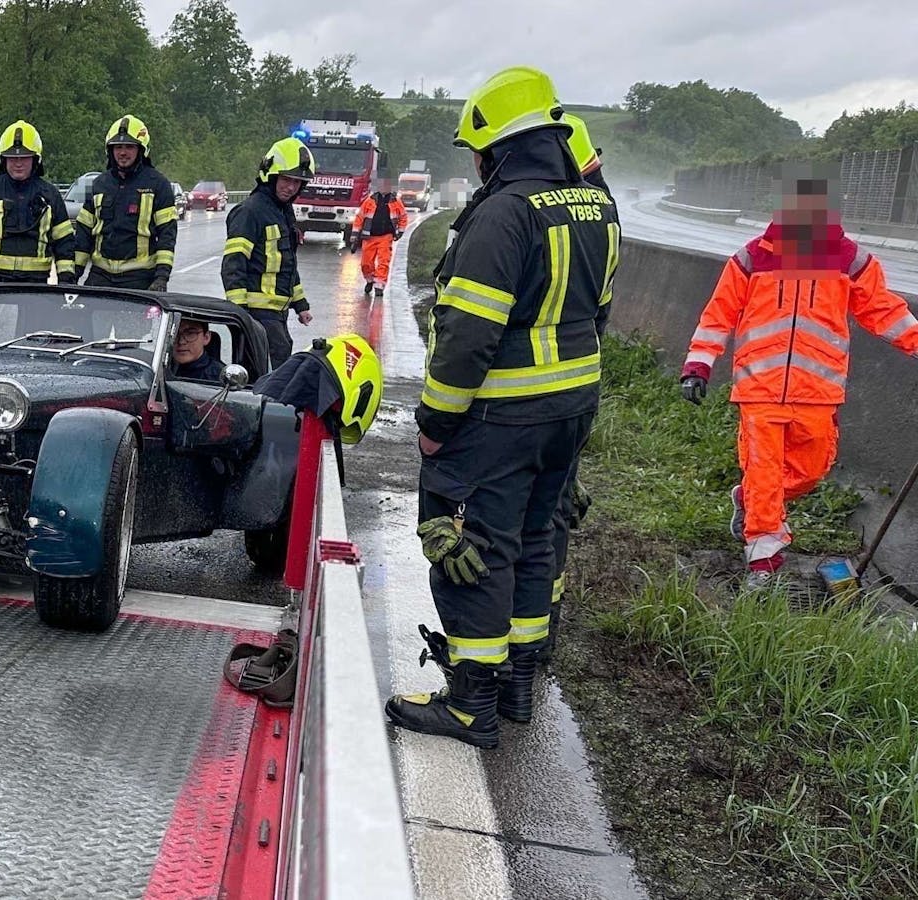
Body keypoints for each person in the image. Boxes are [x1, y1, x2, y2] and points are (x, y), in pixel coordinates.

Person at [384, 66, 621, 749]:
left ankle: (469, 704)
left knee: (472, 550)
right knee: (535, 538)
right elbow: (599, 313)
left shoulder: (503, 213)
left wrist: (435, 425)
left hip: (500, 417)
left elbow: (466, 338)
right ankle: (517, 681)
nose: (478, 164)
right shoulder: (594, 207)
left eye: (479, 151)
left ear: (501, 146)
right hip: (570, 410)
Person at [680, 175, 918, 585]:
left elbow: (885, 312)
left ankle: (751, 500)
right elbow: (718, 315)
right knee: (765, 470)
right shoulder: (752, 258)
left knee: (809, 472)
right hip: (759, 390)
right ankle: (763, 561)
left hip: (818, 392)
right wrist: (698, 365)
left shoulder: (848, 260)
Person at [539, 111, 610, 664]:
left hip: (537, 398)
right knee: (553, 513)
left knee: (534, 517)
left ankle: (530, 637)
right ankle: (542, 631)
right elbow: (600, 315)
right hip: (578, 392)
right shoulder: (603, 214)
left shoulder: (556, 213)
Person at [0, 120, 77, 305]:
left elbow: (64, 244)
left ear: (36, 159)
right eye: (12, 158)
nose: (18, 163)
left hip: (35, 286)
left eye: (24, 158)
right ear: (3, 160)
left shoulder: (50, 196)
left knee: (34, 333)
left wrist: (66, 283)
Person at [223, 137, 316, 367]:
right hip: (256, 314)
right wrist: (241, 314)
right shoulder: (250, 212)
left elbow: (286, 264)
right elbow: (233, 265)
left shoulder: (283, 212)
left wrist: (300, 305)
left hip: (277, 314)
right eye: (286, 179)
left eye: (297, 182)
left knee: (275, 370)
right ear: (271, 176)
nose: (291, 187)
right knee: (263, 378)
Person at [74, 115, 179, 291]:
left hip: (140, 279)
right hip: (100, 278)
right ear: (110, 150)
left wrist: (161, 278)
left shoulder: (158, 184)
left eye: (129, 147)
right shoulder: (99, 184)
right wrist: (72, 275)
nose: (123, 153)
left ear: (141, 150)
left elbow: (167, 236)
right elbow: (83, 234)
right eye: (118, 147)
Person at [349, 182, 409, 296]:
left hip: (386, 236)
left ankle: (379, 286)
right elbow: (359, 218)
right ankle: (370, 280)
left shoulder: (395, 201)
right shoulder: (369, 200)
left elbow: (403, 216)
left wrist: (400, 231)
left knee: (384, 261)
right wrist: (354, 235)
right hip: (369, 236)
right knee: (366, 263)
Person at [172, 317, 223, 382]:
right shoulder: (161, 366)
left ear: (206, 338)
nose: (181, 341)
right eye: (175, 333)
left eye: (190, 333)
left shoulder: (217, 379)